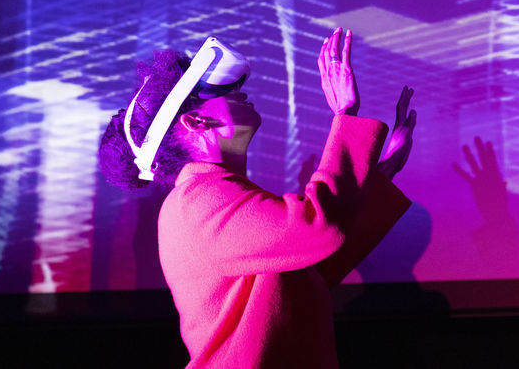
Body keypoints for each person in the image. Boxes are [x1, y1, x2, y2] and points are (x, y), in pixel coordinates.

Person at [99, 27, 416, 369]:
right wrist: (345, 115)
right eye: (220, 92)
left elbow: (307, 267)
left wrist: (382, 173)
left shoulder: (210, 194)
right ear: (195, 120)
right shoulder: (198, 201)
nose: (239, 92)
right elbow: (318, 229)